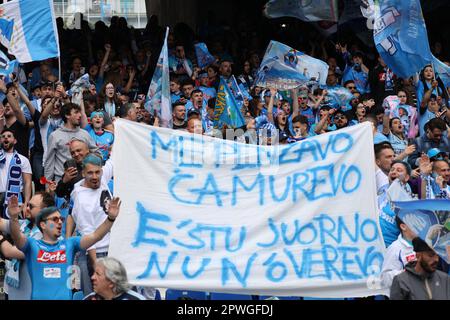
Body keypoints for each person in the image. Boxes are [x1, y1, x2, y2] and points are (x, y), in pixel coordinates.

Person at [8, 194, 122, 300]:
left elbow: (96, 236)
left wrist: (110, 218)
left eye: (61, 219)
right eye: (54, 219)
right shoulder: (32, 245)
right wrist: (13, 218)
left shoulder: (70, 244)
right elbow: (17, 236)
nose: (60, 222)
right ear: (43, 225)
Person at [0, 192, 56, 300]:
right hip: (11, 290)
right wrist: (13, 217)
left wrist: (1, 238)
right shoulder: (25, 224)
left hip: (28, 295)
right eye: (28, 205)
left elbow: (10, 252)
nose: (27, 208)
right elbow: (1, 223)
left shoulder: (46, 237)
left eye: (31, 206)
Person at [44, 103, 97, 182]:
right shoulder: (55, 136)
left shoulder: (84, 133)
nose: (80, 115)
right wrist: (47, 183)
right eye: (76, 112)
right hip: (62, 180)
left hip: (83, 179)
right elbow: (49, 162)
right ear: (67, 115)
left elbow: (96, 153)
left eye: (80, 112)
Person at [0, 129, 32, 219]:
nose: (6, 137)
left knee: (14, 229)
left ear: (15, 141)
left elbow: (27, 182)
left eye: (9, 136)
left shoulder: (23, 160)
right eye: (3, 136)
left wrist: (26, 203)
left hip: (16, 199)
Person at [381, 216, 417, 294]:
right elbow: (385, 278)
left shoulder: (427, 244)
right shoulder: (395, 248)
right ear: (403, 227)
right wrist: (407, 273)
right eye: (414, 222)